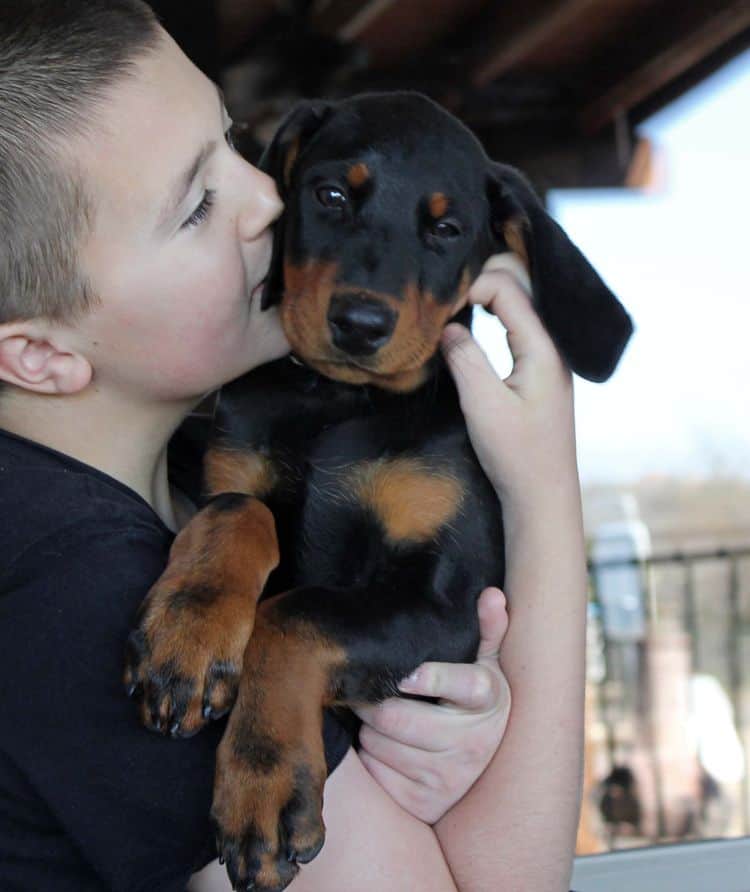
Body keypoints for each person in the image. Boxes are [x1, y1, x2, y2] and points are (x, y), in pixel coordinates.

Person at [0, 3, 587, 890]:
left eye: (234, 144)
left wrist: (429, 755)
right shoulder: (81, 594)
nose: (272, 195)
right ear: (39, 352)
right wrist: (546, 493)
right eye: (197, 204)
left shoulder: (109, 503)